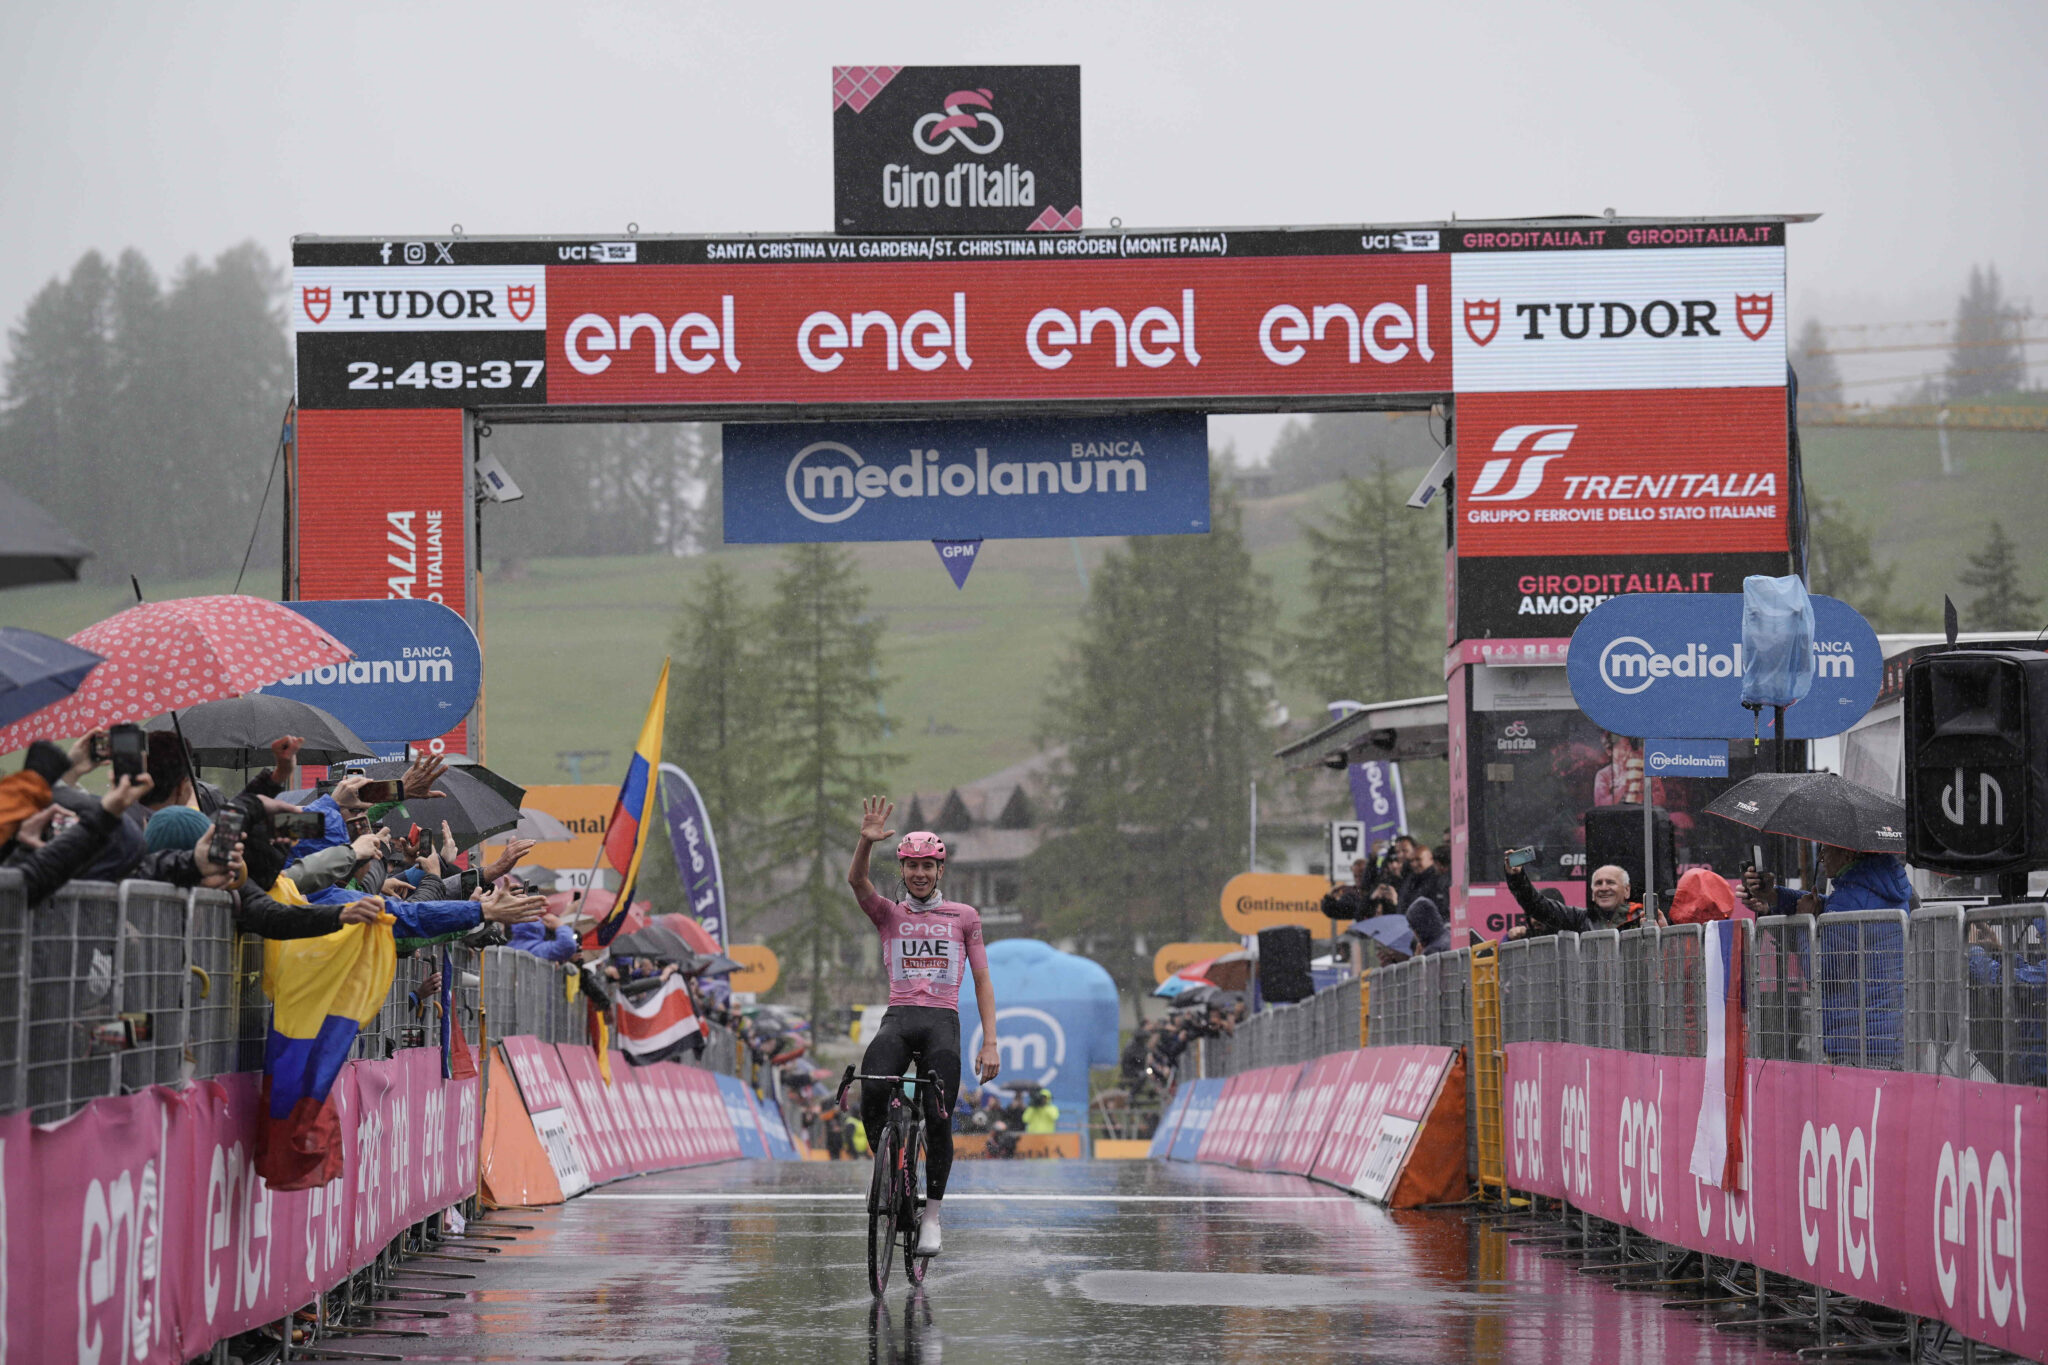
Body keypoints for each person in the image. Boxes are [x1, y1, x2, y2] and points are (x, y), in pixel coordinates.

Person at [847, 797, 1000, 1256]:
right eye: (911, 866)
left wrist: (990, 1041)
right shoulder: (888, 915)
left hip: (942, 1023)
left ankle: (931, 1217)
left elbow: (982, 979)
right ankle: (893, 1175)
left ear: (939, 871)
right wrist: (864, 842)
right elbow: (857, 881)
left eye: (927, 867)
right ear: (904, 869)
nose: (919, 874)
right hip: (898, 1018)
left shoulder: (964, 917)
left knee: (937, 1118)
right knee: (871, 1090)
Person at [1743, 845, 1910, 1065]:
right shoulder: (1877, 885)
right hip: (1885, 1033)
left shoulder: (1850, 899)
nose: (1821, 857)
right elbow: (1832, 905)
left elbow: (1820, 973)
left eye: (1827, 850)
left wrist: (1805, 925)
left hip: (1858, 1041)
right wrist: (1775, 895)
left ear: (1848, 853)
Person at [1503, 852, 1644, 938]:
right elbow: (1536, 905)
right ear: (1592, 894)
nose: (1603, 888)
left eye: (1611, 882)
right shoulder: (1579, 919)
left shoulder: (1643, 918)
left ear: (1627, 890)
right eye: (1598, 883)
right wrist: (1516, 877)